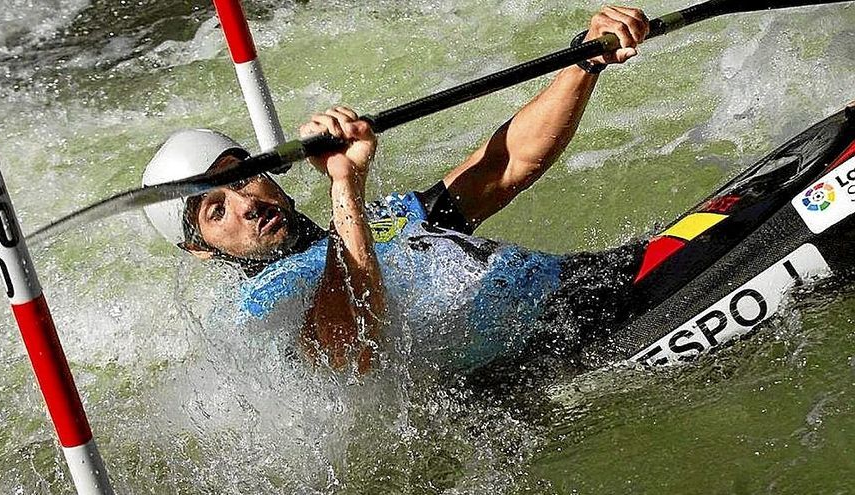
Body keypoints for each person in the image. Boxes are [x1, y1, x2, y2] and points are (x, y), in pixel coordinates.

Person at [142, 7, 651, 374]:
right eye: (216, 210)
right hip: (563, 354)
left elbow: (507, 164)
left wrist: (584, 61)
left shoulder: (383, 219)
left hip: (596, 285)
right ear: (201, 251)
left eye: (242, 178)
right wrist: (346, 182)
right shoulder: (261, 310)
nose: (246, 205)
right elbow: (353, 350)